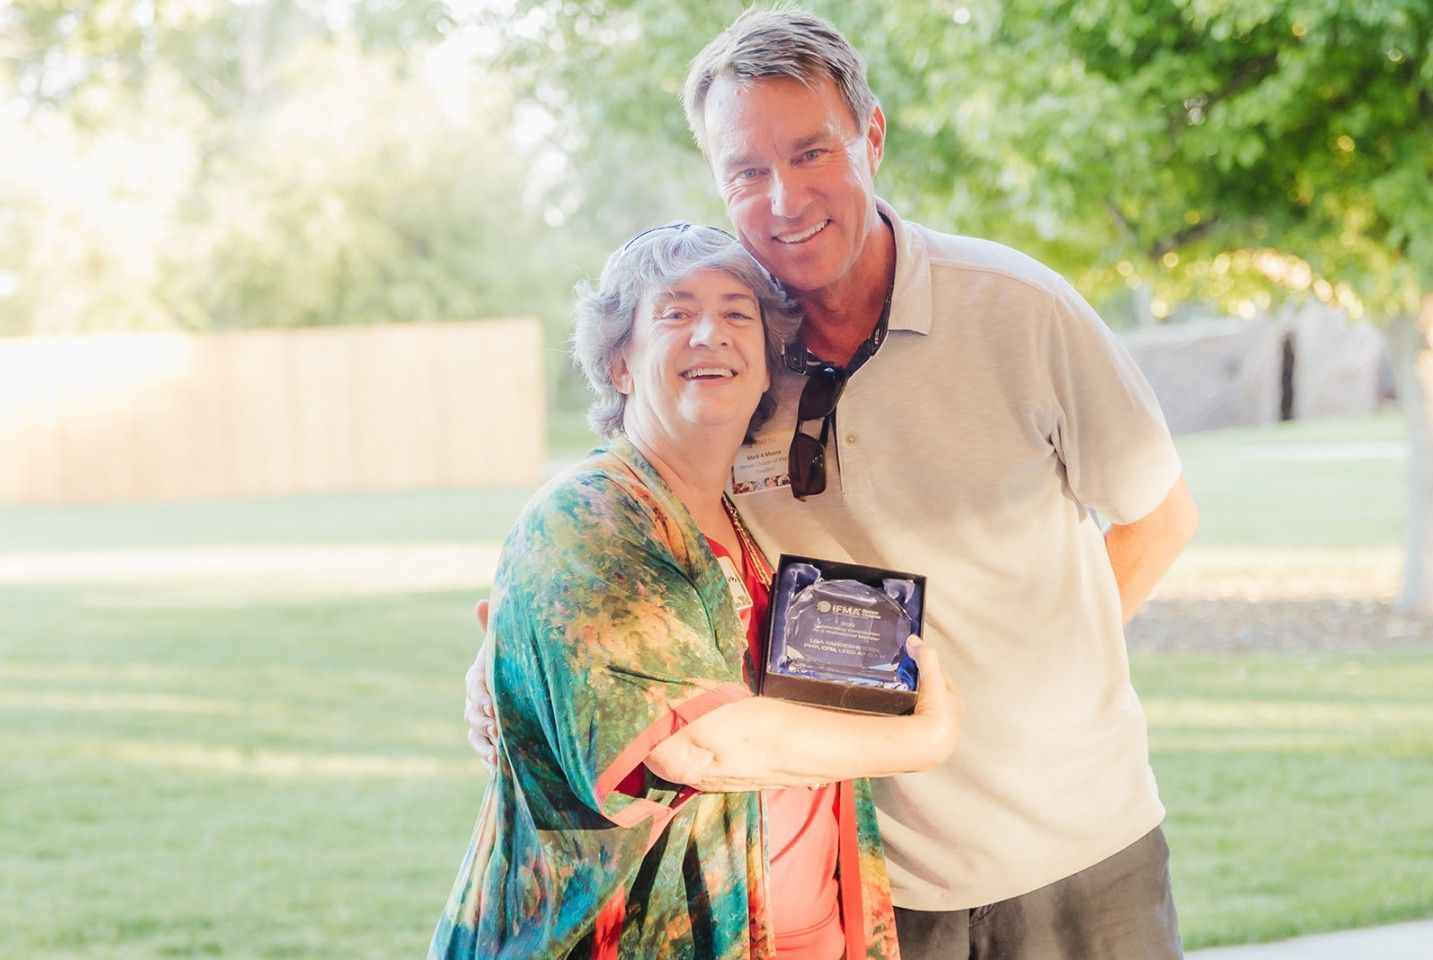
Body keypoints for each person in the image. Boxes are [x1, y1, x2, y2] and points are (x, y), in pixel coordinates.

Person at [467, 9, 1200, 959]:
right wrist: (501, 680)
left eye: (811, 153)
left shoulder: (1019, 310)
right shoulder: (734, 371)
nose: (783, 197)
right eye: (747, 171)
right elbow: (610, 569)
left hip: (1077, 848)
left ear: (872, 138)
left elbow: (1160, 516)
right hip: (880, 873)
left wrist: (1026, 680)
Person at [433, 225, 963, 960]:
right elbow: (697, 746)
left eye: (737, 313)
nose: (711, 332)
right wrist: (919, 739)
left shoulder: (750, 520)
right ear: (620, 365)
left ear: (766, 362)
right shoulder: (587, 520)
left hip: (807, 933)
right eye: (675, 314)